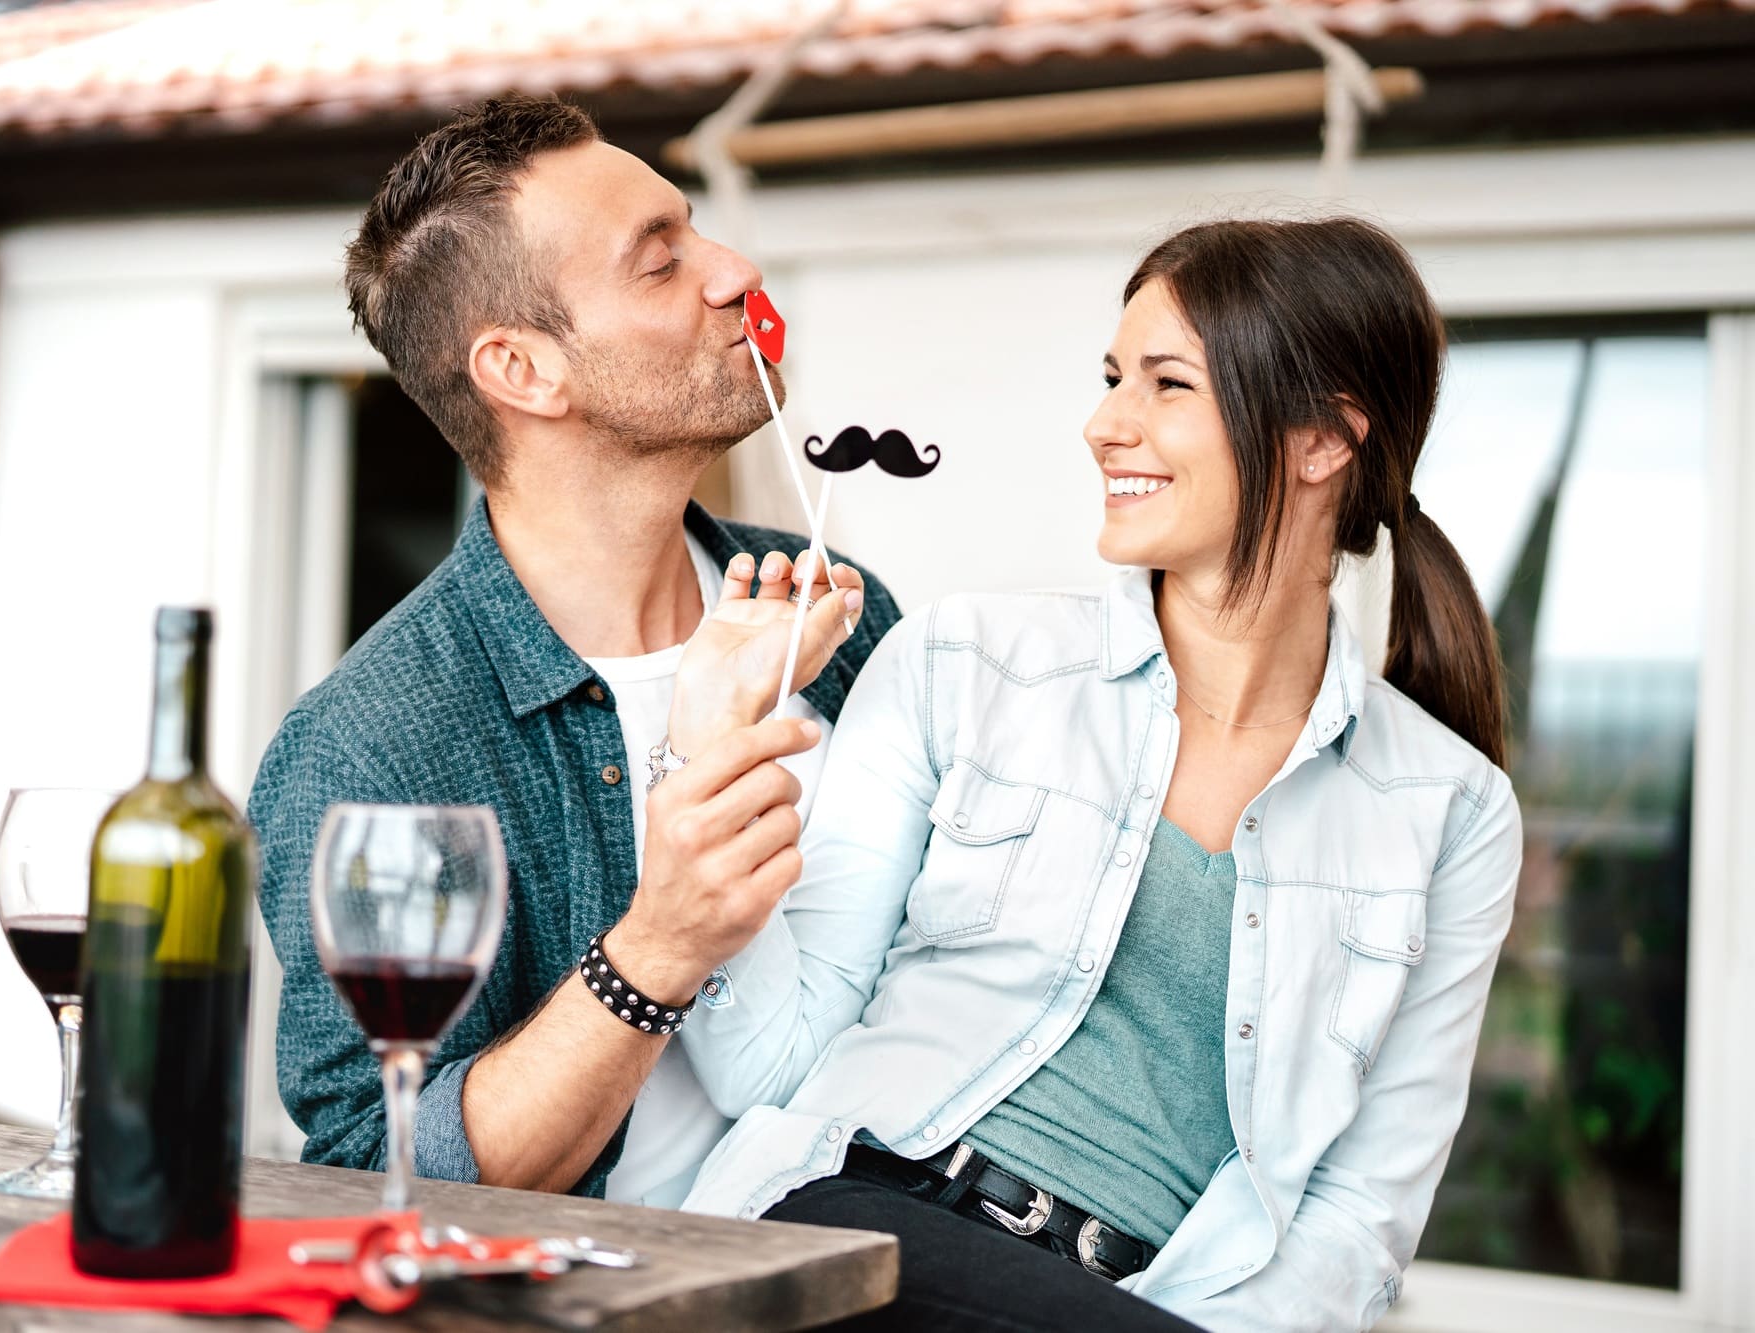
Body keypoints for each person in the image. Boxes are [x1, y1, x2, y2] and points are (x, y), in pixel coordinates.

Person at [668, 218, 1523, 1331]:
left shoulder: (1451, 813)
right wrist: (699, 755)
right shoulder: (958, 660)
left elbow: (1356, 1221)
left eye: (1165, 384)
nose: (1102, 424)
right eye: (1112, 377)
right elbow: (770, 1060)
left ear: (1322, 441)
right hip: (859, 1234)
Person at [248, 93, 898, 1206]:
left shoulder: (838, 611)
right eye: (659, 263)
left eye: (692, 229)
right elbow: (376, 1169)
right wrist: (656, 946)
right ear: (522, 371)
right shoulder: (370, 749)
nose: (733, 269)